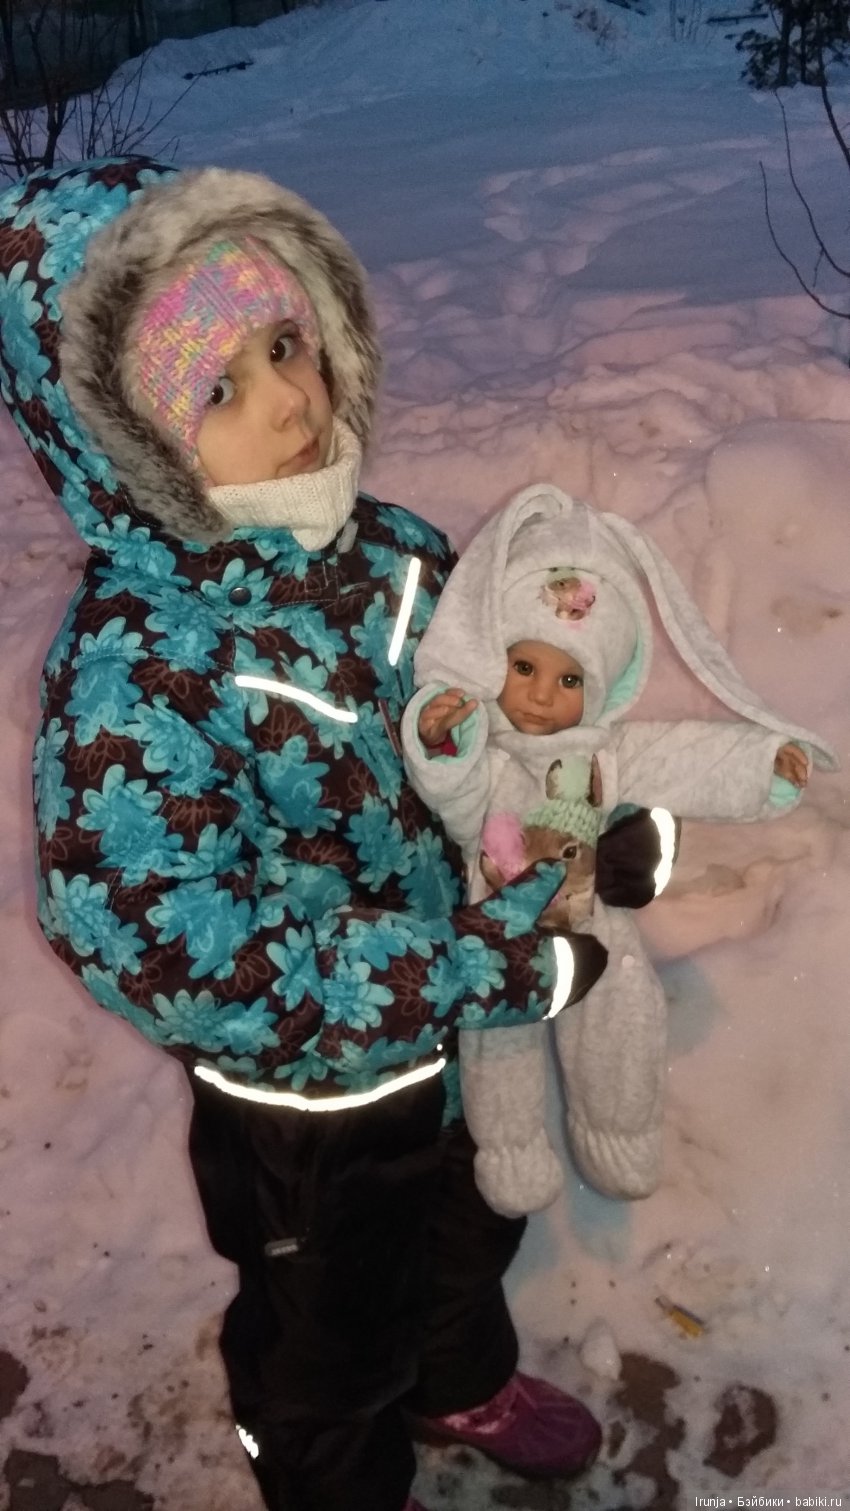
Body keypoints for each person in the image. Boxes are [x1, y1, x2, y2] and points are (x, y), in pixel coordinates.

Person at [1, 158, 670, 1511]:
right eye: (216, 389)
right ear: (122, 440)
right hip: (309, 1109)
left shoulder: (395, 555)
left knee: (470, 1223)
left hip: (463, 1023)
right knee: (325, 1334)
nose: (291, 401)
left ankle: (458, 1374)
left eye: (285, 342)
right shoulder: (137, 669)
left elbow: (498, 730)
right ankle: (337, 1479)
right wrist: (458, 968)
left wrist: (572, 826)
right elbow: (168, 945)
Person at [401, 485, 837, 1215]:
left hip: (589, 914)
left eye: (569, 678)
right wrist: (444, 740)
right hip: (499, 925)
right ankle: (511, 1149)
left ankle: (616, 1130)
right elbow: (456, 800)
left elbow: (686, 756)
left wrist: (763, 763)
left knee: (623, 1011)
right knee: (497, 1038)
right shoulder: (488, 749)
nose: (541, 696)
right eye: (524, 667)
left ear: (602, 686)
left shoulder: (606, 752)